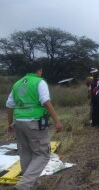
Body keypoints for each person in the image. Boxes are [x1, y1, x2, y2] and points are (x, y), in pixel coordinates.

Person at [6, 61, 62, 190]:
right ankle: (24, 185)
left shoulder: (17, 83)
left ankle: (32, 185)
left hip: (18, 122)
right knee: (42, 154)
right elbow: (46, 102)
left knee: (26, 154)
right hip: (34, 123)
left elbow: (9, 104)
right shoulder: (39, 82)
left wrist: (10, 123)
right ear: (39, 71)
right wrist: (57, 121)